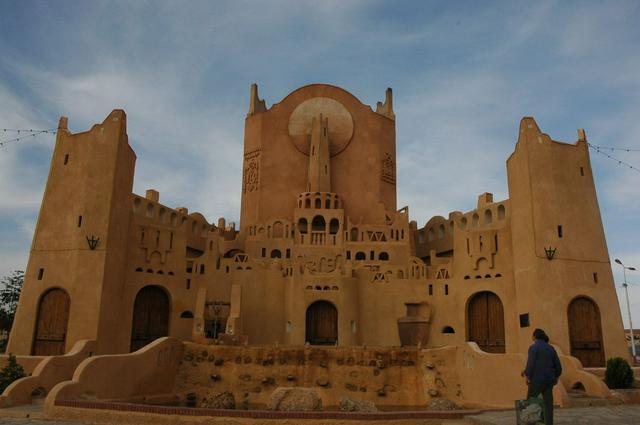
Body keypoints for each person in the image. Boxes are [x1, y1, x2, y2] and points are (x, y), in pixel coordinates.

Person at [522, 328, 562, 425]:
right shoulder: (551, 348)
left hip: (536, 380)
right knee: (548, 404)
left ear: (535, 336)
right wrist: (556, 376)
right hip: (549, 380)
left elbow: (530, 364)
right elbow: (558, 366)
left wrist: (527, 375)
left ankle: (529, 422)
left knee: (531, 401)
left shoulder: (533, 348)